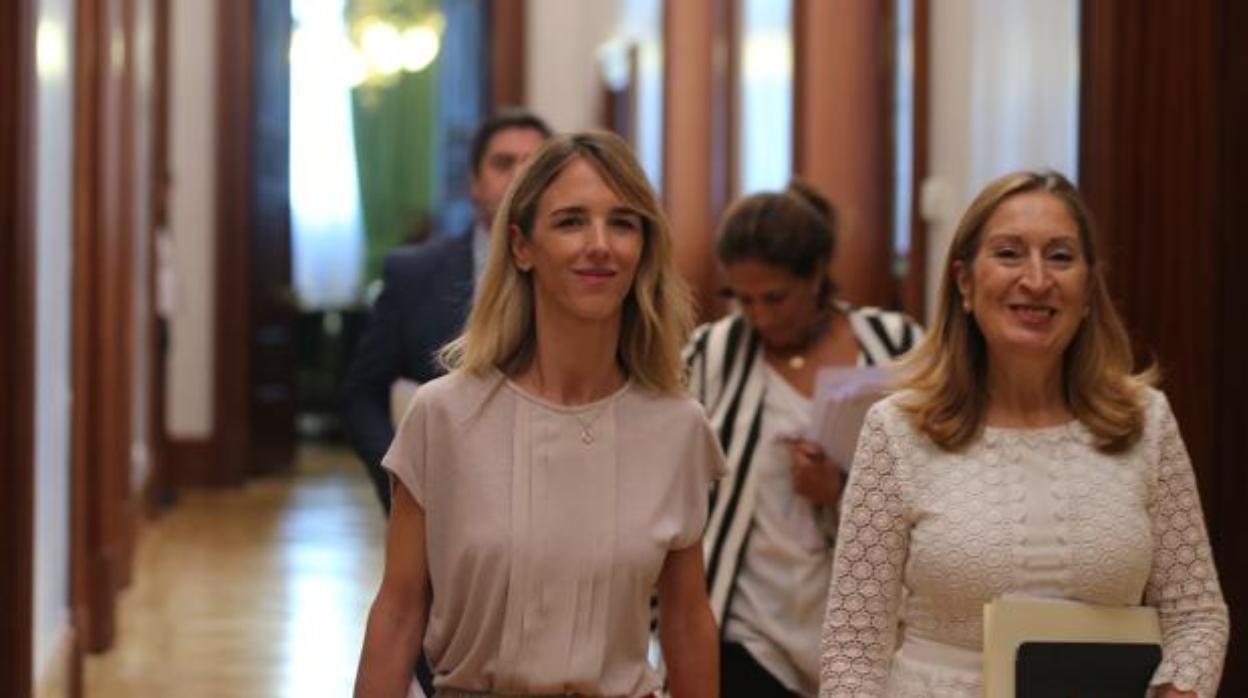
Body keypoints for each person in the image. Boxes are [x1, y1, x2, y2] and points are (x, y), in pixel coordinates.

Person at [819, 171, 1229, 697]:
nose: (1036, 280)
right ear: (965, 283)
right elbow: (853, 648)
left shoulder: (1145, 422)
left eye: (1060, 257)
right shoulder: (897, 429)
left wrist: (1180, 690)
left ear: (1087, 287)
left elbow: (1196, 613)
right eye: (1010, 254)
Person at [354, 131, 725, 698]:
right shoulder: (446, 416)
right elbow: (400, 610)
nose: (600, 244)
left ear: (643, 249)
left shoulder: (678, 427)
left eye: (623, 223)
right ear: (522, 247)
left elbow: (685, 622)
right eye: (571, 221)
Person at [683, 181, 922, 697]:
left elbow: (935, 479)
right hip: (748, 632)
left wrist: (839, 492)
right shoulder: (713, 352)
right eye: (743, 300)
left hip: (868, 628)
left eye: (775, 298)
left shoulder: (895, 344)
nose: (761, 317)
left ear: (816, 276)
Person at [341, 108, 552, 513]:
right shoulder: (414, 273)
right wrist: (401, 484)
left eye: (535, 164)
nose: (519, 176)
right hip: (441, 509)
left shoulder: (580, 273)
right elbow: (361, 394)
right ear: (474, 183)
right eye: (503, 163)